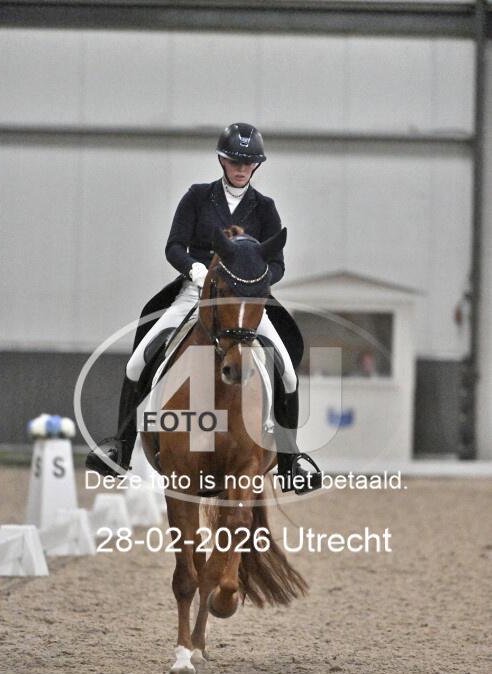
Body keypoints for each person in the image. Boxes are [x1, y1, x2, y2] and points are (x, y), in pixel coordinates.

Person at [86, 122, 322, 493]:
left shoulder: (265, 208)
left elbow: (277, 264)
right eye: (235, 161)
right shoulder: (197, 197)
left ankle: (291, 462)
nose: (241, 168)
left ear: (256, 166)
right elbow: (173, 246)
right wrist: (195, 269)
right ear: (222, 160)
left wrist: (257, 280)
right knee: (137, 362)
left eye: (248, 162)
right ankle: (120, 447)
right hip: (195, 294)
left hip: (246, 301)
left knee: (288, 373)